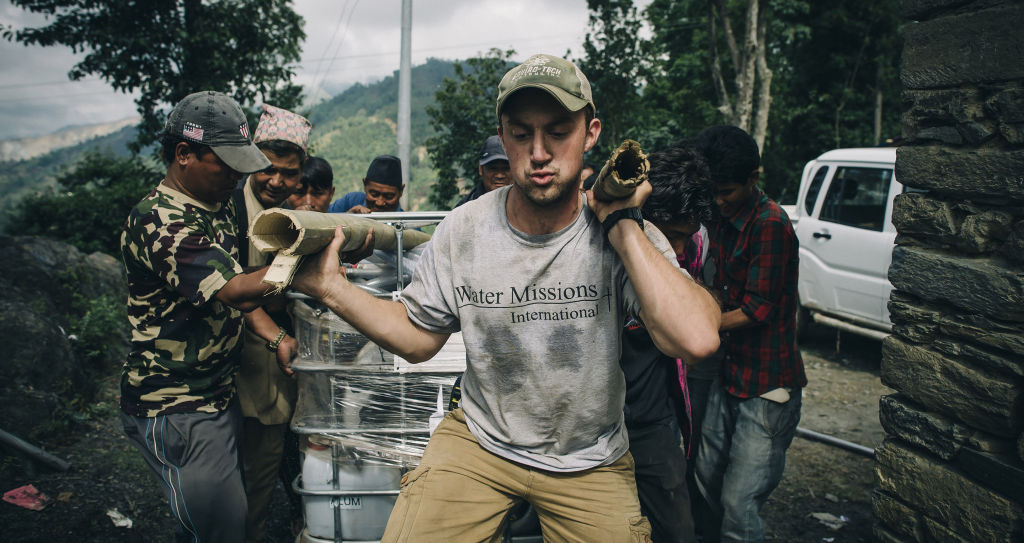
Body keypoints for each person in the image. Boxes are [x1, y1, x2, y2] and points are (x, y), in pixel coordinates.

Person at [290, 53, 721, 542]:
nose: (538, 152)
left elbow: (699, 337)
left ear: (591, 132)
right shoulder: (464, 229)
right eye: (520, 134)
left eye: (558, 131)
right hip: (482, 440)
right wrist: (330, 287)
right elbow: (416, 338)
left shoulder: (623, 230)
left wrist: (621, 224)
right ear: (503, 133)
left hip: (588, 456)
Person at [119, 91, 288, 543]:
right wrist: (306, 264)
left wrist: (275, 338)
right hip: (177, 404)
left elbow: (233, 295)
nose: (237, 175)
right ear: (184, 154)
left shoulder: (214, 209)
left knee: (212, 521)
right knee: (222, 529)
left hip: (215, 394)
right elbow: (236, 287)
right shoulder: (158, 220)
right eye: (226, 163)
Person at [693, 125, 807, 543]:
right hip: (730, 373)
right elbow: (718, 290)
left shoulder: (770, 224)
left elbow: (759, 309)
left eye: (726, 192)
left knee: (741, 503)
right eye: (713, 192)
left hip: (767, 384)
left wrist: (691, 323)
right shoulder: (719, 218)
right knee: (705, 475)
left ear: (752, 179)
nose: (719, 201)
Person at [622, 144, 715, 543]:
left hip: (651, 417)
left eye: (687, 237)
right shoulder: (606, 239)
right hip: (590, 421)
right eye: (672, 237)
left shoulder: (695, 244)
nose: (679, 249)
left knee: (677, 528)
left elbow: (693, 331)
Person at [231, 103, 311, 543]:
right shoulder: (227, 209)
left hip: (266, 374)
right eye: (268, 169)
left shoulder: (292, 220)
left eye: (289, 172)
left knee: (259, 476)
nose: (277, 181)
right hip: (226, 366)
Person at [327, 154, 404, 213]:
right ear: (364, 185)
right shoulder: (350, 202)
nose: (379, 203)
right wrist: (347, 219)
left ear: (401, 191)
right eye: (374, 194)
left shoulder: (411, 225)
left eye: (389, 196)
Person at [456, 134, 510, 206]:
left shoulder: (527, 204)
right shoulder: (464, 209)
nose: (499, 176)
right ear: (480, 169)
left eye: (506, 168)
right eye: (493, 168)